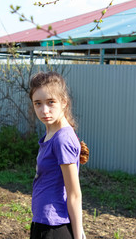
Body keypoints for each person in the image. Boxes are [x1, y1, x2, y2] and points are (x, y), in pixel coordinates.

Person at [29, 71, 89, 239]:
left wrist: (79, 236)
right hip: (42, 223)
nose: (44, 110)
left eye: (51, 102)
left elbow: (74, 194)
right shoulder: (51, 134)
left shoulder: (62, 139)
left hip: (53, 228)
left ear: (63, 102)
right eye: (38, 103)